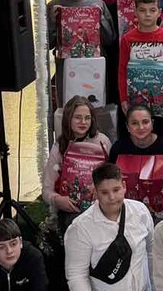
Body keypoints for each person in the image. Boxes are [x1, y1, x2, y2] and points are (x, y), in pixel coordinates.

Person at [65, 163, 156, 291]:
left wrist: (155, 290)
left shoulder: (140, 211)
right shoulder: (80, 228)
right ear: (95, 192)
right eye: (104, 192)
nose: (112, 197)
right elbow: (76, 274)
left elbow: (152, 251)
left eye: (116, 190)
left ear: (124, 186)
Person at [43, 96, 112, 233]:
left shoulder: (103, 142)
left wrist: (101, 186)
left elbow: (114, 177)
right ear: (68, 119)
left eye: (87, 118)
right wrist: (58, 200)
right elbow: (46, 190)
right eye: (78, 117)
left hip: (100, 207)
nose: (83, 122)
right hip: (71, 211)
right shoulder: (59, 147)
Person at [118, 0, 163, 128]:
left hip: (161, 101)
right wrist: (123, 99)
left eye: (152, 10)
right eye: (142, 10)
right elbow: (122, 71)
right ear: (135, 12)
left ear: (159, 12)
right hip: (135, 101)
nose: (147, 14)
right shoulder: (127, 39)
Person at [109, 105, 163, 216]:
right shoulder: (118, 149)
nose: (141, 127)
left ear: (152, 123)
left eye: (145, 122)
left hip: (161, 212)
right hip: (125, 213)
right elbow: (110, 179)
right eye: (134, 123)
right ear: (127, 127)